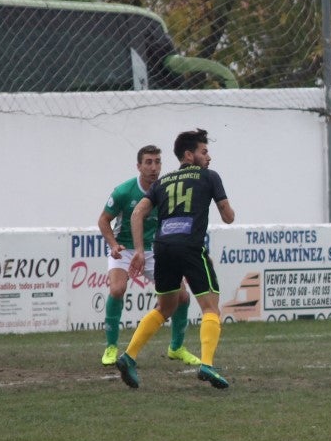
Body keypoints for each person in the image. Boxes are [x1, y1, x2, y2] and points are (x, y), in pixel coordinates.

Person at [115, 128, 236, 389]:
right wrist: (226, 208)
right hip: (190, 247)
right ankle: (207, 364)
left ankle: (129, 355)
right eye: (204, 152)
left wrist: (138, 249)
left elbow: (137, 214)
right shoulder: (209, 176)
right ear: (189, 155)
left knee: (165, 308)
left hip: (163, 248)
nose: (209, 157)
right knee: (211, 308)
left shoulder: (163, 182)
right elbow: (228, 216)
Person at [97, 144, 199, 367]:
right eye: (149, 162)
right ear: (139, 166)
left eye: (158, 162)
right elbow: (103, 220)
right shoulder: (124, 191)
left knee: (182, 296)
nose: (154, 167)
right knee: (117, 289)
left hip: (153, 250)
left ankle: (177, 348)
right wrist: (113, 245)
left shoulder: (166, 189)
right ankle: (111, 347)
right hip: (124, 249)